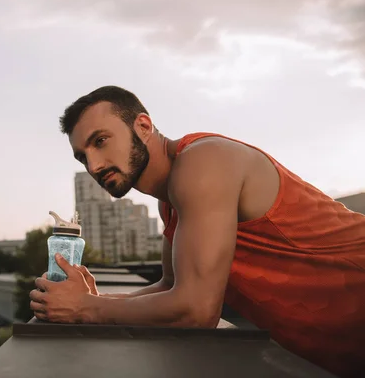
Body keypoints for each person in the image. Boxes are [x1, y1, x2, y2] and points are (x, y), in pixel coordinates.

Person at [29, 85, 365, 378]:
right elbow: (171, 288)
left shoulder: (204, 162)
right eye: (82, 157)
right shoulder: (171, 202)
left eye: (100, 141)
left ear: (143, 126)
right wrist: (94, 300)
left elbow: (196, 310)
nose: (94, 166)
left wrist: (86, 309)